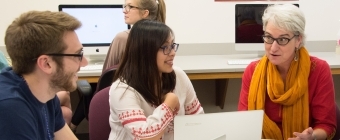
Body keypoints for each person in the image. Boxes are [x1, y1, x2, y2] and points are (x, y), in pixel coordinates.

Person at [238, 4, 337, 140]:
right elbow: (243, 123)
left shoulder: (318, 70)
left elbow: (326, 125)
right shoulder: (253, 71)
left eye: (282, 39)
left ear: (298, 40)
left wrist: (312, 136)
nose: (273, 48)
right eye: (268, 37)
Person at [69, 0, 167, 131]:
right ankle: (72, 127)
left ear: (145, 13)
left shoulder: (123, 37)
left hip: (121, 103)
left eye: (130, 7)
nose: (124, 10)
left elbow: (106, 77)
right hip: (151, 105)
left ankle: (72, 127)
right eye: (125, 6)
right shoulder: (164, 36)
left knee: (91, 87)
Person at [108, 19, 204, 140]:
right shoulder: (122, 90)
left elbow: (198, 121)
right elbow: (143, 137)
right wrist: (169, 103)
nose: (173, 52)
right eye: (165, 47)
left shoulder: (178, 75)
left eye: (172, 46)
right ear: (145, 52)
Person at [0, 10, 87, 139]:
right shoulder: (10, 108)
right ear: (46, 64)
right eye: (78, 55)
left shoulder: (46, 93)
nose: (84, 63)